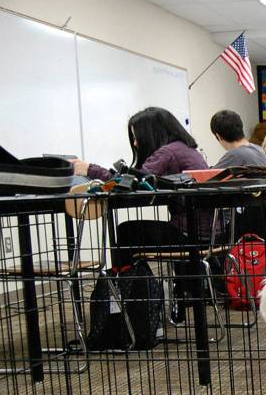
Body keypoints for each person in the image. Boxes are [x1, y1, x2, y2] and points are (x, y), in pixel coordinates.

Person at [70, 107, 209, 323]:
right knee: (130, 232)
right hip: (205, 233)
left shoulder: (167, 152)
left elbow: (129, 184)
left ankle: (128, 300)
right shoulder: (187, 149)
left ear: (151, 132)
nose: (135, 143)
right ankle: (137, 300)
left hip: (188, 234)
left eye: (136, 137)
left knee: (126, 232)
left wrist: (89, 168)